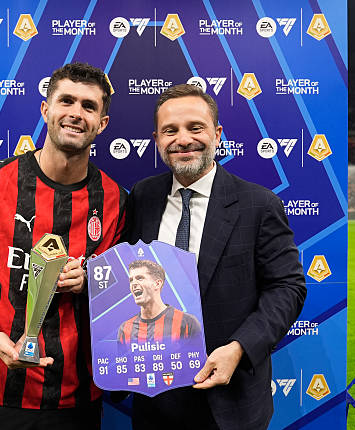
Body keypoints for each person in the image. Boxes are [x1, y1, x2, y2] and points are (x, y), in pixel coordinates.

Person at [0, 63, 127, 430]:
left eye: (89, 106)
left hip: (76, 398)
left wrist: (90, 281)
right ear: (45, 109)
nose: (76, 113)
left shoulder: (116, 201)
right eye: (66, 101)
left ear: (102, 123)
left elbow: (124, 286)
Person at [123, 84, 306, 430]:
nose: (183, 139)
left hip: (230, 402)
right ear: (157, 140)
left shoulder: (259, 204)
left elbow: (287, 288)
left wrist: (239, 347)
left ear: (217, 134)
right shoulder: (143, 197)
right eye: (170, 130)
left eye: (195, 127)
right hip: (155, 401)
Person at [117, 259, 201, 345]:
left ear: (157, 284)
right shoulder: (125, 329)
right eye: (131, 280)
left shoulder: (187, 323)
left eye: (140, 278)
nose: (134, 283)